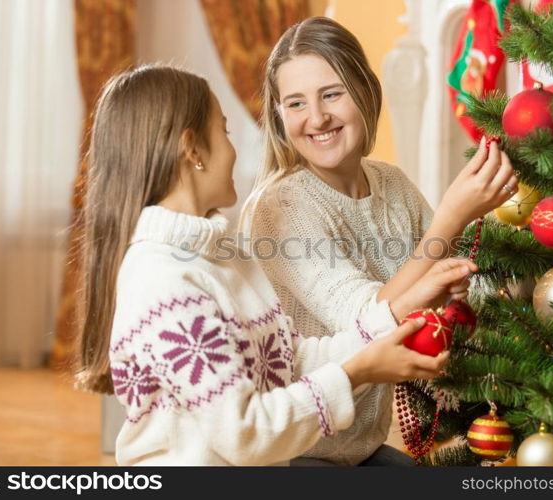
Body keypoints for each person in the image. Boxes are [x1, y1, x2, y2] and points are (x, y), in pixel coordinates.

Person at [74, 65, 477, 466]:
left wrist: (399, 312)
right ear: (193, 150)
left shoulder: (225, 257)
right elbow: (244, 433)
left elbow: (290, 361)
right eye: (225, 131)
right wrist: (358, 372)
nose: (234, 150)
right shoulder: (165, 281)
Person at [240, 16, 518, 465]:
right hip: (294, 453)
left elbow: (471, 289)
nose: (317, 117)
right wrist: (451, 219)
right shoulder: (281, 209)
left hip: (359, 448)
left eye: (331, 93)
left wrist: (458, 287)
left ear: (366, 91)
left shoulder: (391, 183)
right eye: (295, 103)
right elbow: (367, 325)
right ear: (278, 115)